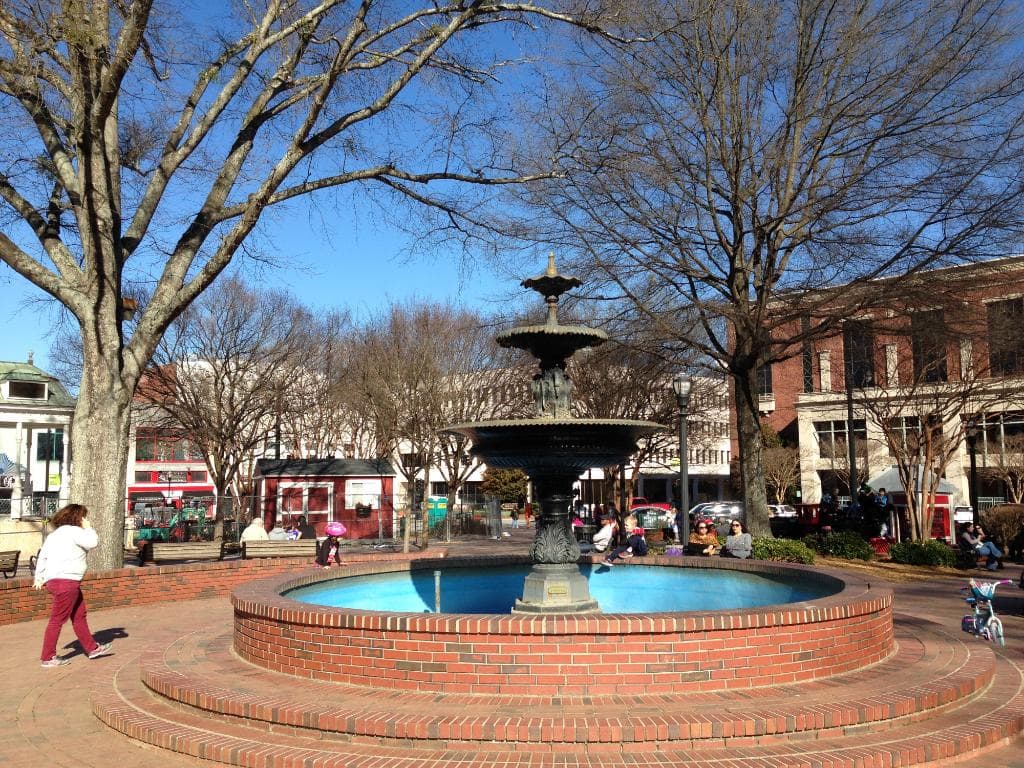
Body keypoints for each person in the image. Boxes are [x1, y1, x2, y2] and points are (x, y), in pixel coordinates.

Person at [33, 504, 113, 668]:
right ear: (78, 517)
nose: (85, 519)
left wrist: (39, 577)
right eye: (84, 516)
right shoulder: (75, 531)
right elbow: (93, 542)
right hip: (67, 582)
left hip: (55, 581)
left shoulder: (54, 535)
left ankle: (92, 648)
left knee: (79, 615)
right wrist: (89, 528)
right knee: (57, 620)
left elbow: (43, 557)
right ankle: (47, 657)